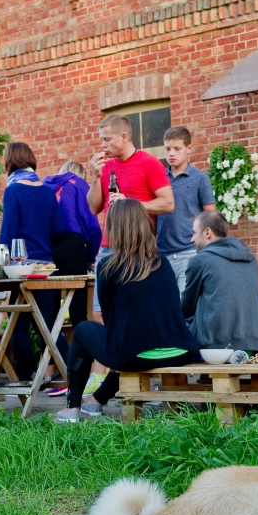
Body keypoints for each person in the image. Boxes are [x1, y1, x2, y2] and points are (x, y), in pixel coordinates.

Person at [56, 199, 197, 423]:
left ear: (115, 227)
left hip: (138, 355)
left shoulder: (108, 265)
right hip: (180, 351)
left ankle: (73, 407)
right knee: (128, 345)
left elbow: (109, 317)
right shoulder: (162, 261)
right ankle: (95, 402)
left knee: (84, 330)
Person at [83, 114, 174, 392]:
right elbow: (93, 208)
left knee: (136, 314)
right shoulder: (106, 166)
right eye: (101, 138)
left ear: (124, 137)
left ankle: (143, 378)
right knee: (100, 314)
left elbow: (167, 203)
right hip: (109, 247)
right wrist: (94, 178)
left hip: (138, 249)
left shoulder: (149, 163)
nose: (103, 144)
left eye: (107, 138)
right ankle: (100, 378)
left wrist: (132, 203)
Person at [0, 141, 68, 381]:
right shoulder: (47, 192)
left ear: (10, 161)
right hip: (46, 266)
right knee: (50, 326)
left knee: (18, 323)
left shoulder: (13, 190)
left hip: (21, 266)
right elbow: (59, 229)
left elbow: (7, 234)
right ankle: (71, 375)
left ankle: (24, 381)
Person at [182, 210, 258, 354]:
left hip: (216, 348)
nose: (192, 239)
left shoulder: (200, 261)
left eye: (194, 233)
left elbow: (186, 308)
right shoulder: (251, 259)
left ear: (207, 232)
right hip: (254, 347)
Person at [155, 126, 217, 293]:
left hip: (188, 251)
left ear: (189, 149)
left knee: (185, 306)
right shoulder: (159, 177)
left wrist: (209, 249)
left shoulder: (200, 178)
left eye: (177, 148)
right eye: (167, 149)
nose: (171, 153)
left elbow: (210, 216)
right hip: (161, 254)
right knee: (166, 306)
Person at [43, 160, 102, 328]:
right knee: (78, 308)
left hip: (47, 248)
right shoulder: (79, 184)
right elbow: (93, 227)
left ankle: (53, 351)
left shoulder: (45, 186)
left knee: (50, 309)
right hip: (73, 247)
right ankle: (81, 353)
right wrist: (89, 256)